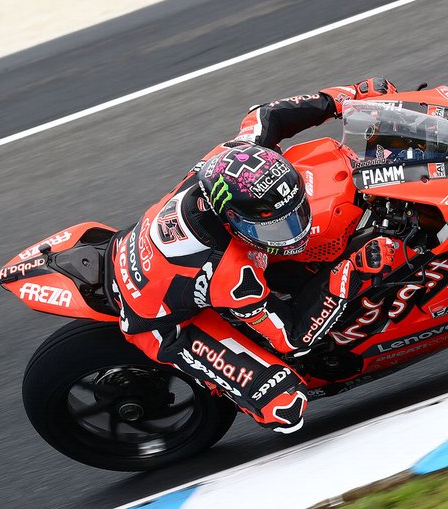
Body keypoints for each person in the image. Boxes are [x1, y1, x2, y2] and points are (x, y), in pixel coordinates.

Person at [108, 77, 398, 432]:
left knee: (310, 256)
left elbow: (267, 116)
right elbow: (291, 338)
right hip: (164, 324)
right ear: (232, 221)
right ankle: (230, 384)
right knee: (285, 405)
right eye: (276, 227)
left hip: (138, 253)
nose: (295, 230)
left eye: (295, 214)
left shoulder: (229, 161)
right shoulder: (232, 276)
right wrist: (352, 271)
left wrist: (342, 99)